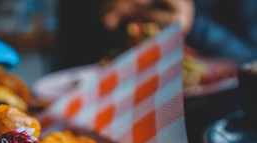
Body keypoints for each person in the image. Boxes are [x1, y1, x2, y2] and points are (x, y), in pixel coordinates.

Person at [56, 0, 257, 70]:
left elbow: (251, 58)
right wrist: (98, 14)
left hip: (216, 122)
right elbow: (67, 76)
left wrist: (194, 25)